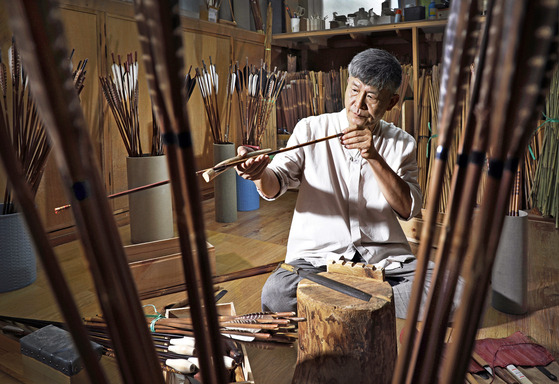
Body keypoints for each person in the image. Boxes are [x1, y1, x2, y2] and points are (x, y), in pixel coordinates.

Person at [235, 48, 427, 319]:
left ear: (392, 102)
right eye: (354, 90)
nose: (357, 104)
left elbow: (408, 208)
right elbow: (275, 182)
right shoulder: (310, 129)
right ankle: (369, 304)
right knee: (277, 293)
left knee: (450, 290)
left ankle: (334, 303)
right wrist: (258, 174)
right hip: (318, 263)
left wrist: (373, 156)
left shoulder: (402, 142)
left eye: (371, 97)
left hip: (384, 264)